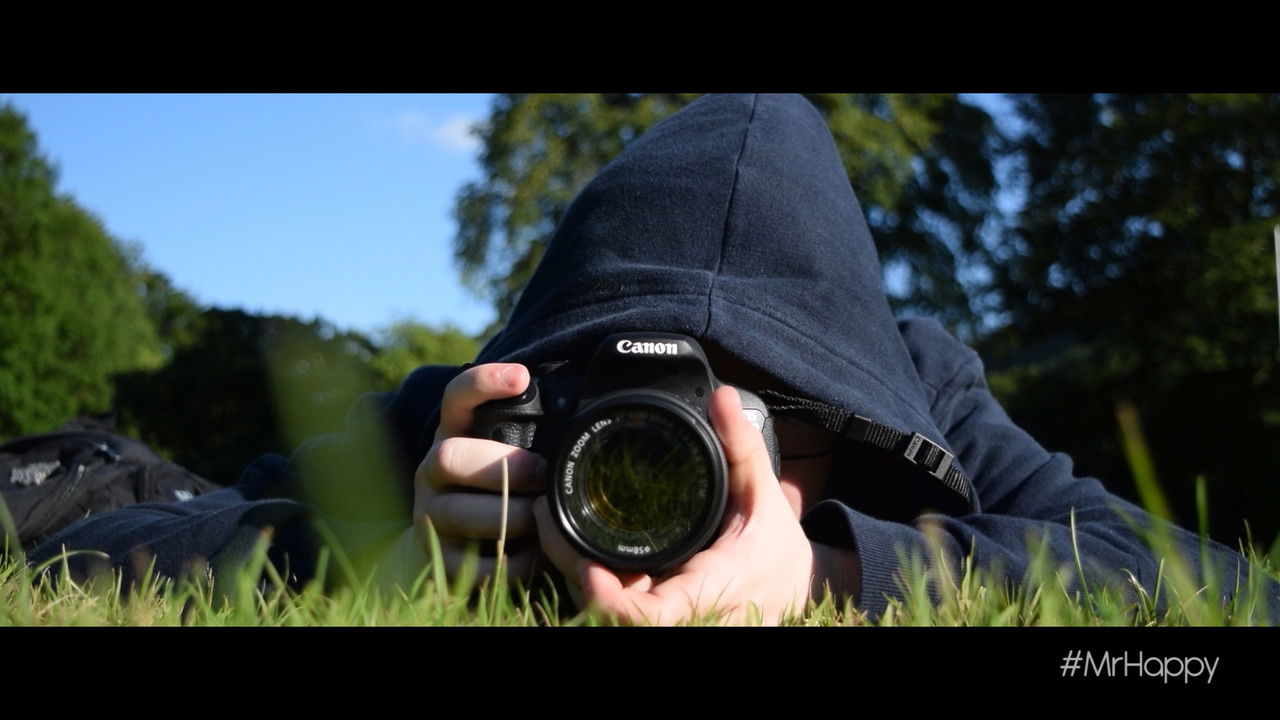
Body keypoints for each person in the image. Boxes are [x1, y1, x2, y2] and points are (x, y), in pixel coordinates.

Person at [28, 93, 1279, 624]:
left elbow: (1223, 588)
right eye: (629, 415)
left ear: (849, 403)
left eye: (765, 412)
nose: (670, 472)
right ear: (554, 379)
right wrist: (390, 552)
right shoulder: (488, 417)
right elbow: (123, 541)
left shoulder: (921, 388)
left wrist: (833, 568)